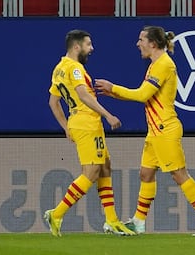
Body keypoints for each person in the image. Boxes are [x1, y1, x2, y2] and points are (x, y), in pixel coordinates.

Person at [95, 25, 195, 236]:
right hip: (155, 130)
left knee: (179, 175)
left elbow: (142, 95)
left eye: (141, 39)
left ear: (152, 43)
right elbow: (144, 95)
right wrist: (113, 93)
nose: (138, 43)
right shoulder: (154, 65)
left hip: (165, 129)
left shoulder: (164, 65)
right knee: (146, 173)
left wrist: (113, 88)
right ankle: (139, 222)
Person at [45, 29, 136, 237]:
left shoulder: (59, 68)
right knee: (92, 172)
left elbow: (53, 101)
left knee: (104, 167)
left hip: (80, 122)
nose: (91, 48)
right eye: (88, 44)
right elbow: (83, 94)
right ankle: (56, 214)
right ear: (77, 47)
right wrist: (108, 115)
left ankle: (111, 220)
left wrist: (66, 126)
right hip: (87, 123)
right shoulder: (75, 68)